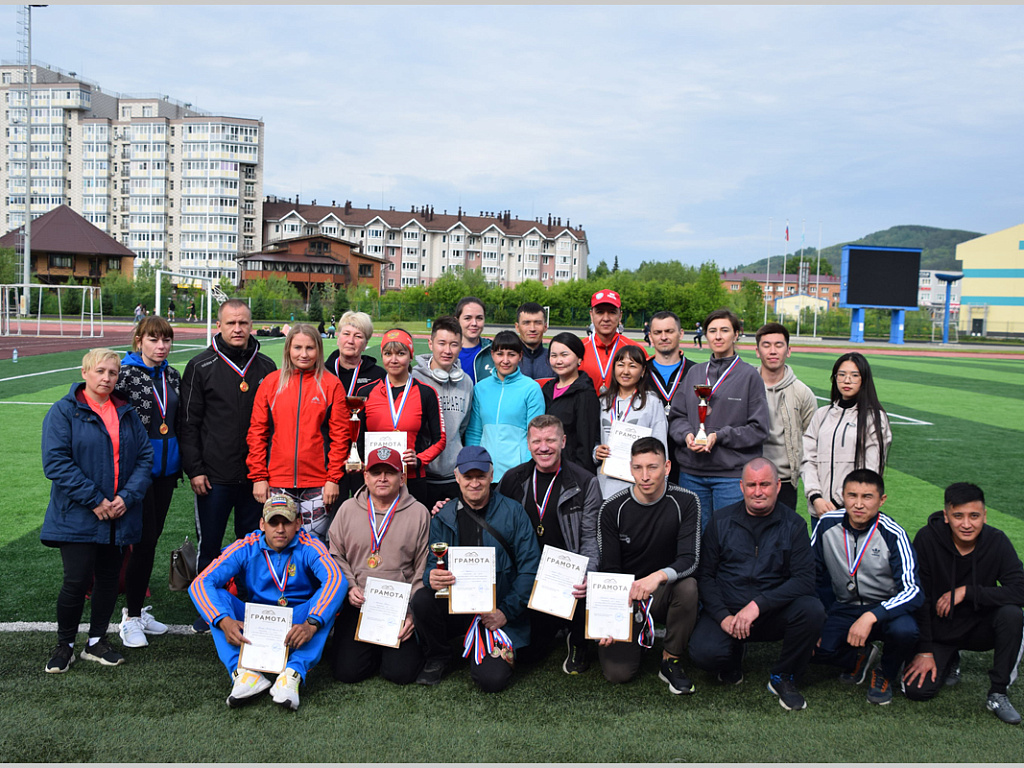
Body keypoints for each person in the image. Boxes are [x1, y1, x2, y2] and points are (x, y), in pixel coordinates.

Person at [42, 349, 153, 673]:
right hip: (79, 515)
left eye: (113, 373)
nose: (107, 378)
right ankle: (65, 644)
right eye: (100, 371)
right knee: (76, 581)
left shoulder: (126, 412)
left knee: (108, 579)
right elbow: (56, 462)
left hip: (118, 515)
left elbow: (144, 459)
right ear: (86, 372)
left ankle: (96, 641)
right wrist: (95, 500)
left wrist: (126, 498)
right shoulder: (64, 412)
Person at [688, 458, 825, 711]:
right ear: (741, 487)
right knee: (704, 654)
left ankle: (783, 675)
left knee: (812, 610)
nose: (758, 491)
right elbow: (705, 576)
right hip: (730, 611)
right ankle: (733, 657)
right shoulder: (720, 521)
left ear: (778, 486)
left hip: (772, 613)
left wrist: (758, 605)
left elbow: (805, 580)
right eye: (751, 485)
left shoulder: (794, 525)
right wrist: (722, 617)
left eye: (765, 484)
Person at [189, 494, 347, 710]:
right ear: (262, 524)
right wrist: (223, 621)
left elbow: (336, 580)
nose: (280, 529)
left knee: (326, 603)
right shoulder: (247, 545)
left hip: (297, 626)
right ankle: (244, 674)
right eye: (273, 522)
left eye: (287, 522)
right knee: (218, 602)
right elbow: (200, 583)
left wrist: (311, 624)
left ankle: (292, 674)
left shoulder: (310, 545)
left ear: (299, 523)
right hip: (258, 625)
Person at [179, 299, 277, 633]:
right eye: (231, 323)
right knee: (211, 547)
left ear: (252, 325)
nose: (238, 329)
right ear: (219, 325)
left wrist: (265, 471)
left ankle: (251, 606)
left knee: (253, 544)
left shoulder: (266, 366)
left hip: (255, 478)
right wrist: (195, 469)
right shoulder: (200, 365)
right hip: (213, 476)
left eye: (244, 323)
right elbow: (188, 423)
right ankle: (211, 611)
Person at [411, 446, 541, 692]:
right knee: (422, 599)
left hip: (499, 612)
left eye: (480, 476)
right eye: (468, 477)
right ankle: (439, 655)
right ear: (457, 477)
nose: (474, 483)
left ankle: (491, 647)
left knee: (491, 680)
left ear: (491, 476)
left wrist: (506, 611)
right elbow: (431, 566)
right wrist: (432, 577)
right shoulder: (444, 516)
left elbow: (530, 570)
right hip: (457, 609)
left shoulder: (514, 512)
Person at [902, 483, 1024, 725]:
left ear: (984, 516)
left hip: (979, 627)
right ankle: (949, 659)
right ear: (946, 516)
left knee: (1012, 614)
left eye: (974, 516)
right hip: (940, 629)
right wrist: (924, 650)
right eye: (958, 516)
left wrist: (968, 592)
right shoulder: (927, 539)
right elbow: (919, 597)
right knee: (916, 691)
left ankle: (998, 692)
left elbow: (1020, 590)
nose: (967, 524)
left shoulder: (997, 541)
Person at [595, 437, 701, 693]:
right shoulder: (612, 508)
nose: (645, 476)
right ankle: (632, 637)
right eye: (638, 467)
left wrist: (657, 577)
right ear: (630, 468)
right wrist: (608, 618)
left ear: (666, 467)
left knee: (688, 587)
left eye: (652, 467)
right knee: (617, 674)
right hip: (626, 598)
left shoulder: (686, 501)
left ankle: (670, 659)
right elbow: (609, 569)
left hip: (663, 592)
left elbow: (691, 558)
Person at [498, 414, 601, 674]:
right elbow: (489, 513)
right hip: (527, 574)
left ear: (563, 441)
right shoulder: (513, 479)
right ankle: (550, 627)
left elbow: (589, 537)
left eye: (550, 440)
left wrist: (588, 575)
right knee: (530, 655)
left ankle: (578, 640)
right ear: (528, 443)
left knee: (585, 583)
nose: (543, 447)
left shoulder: (585, 482)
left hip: (566, 576)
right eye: (537, 441)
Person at [810, 469, 923, 706]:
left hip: (885, 609)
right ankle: (857, 658)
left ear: (881, 500)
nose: (859, 504)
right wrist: (816, 618)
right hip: (844, 607)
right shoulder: (826, 525)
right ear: (843, 496)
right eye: (852, 495)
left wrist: (873, 615)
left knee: (906, 631)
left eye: (867, 497)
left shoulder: (893, 533)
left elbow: (913, 590)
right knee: (815, 649)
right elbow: (810, 573)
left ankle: (885, 672)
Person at [328, 447, 430, 685]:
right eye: (376, 472)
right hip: (359, 603)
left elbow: (422, 566)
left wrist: (412, 612)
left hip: (399, 608)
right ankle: (369, 647)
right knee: (347, 672)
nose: (382, 479)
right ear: (365, 477)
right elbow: (335, 555)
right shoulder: (347, 510)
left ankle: (384, 650)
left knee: (400, 674)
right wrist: (350, 586)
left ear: (402, 477)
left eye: (390, 472)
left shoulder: (419, 513)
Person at [246, 323, 350, 542]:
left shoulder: (331, 385)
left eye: (310, 348)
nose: (303, 354)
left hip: (318, 484)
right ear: (288, 350)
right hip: (277, 482)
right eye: (297, 348)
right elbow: (257, 433)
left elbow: (340, 437)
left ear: (319, 350)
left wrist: (333, 479)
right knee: (279, 544)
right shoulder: (271, 384)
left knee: (313, 547)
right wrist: (259, 477)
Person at [669, 308, 769, 531]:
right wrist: (687, 435)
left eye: (724, 330)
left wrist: (720, 436)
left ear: (736, 334)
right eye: (712, 331)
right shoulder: (695, 373)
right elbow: (677, 416)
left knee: (730, 538)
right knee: (696, 539)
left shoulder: (749, 376)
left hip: (730, 476)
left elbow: (759, 429)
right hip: (692, 474)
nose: (718, 336)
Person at [115, 316, 182, 649]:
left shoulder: (171, 374)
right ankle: (130, 618)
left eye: (166, 340)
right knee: (140, 544)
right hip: (138, 474)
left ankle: (138, 611)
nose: (161, 346)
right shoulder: (124, 375)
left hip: (167, 473)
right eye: (154, 340)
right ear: (139, 340)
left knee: (150, 540)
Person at [357, 328, 446, 504]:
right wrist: (361, 464)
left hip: (412, 478)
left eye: (401, 353)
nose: (394, 359)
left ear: (410, 355)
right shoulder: (365, 392)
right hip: (377, 479)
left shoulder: (426, 393)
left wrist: (419, 460)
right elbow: (357, 438)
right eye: (388, 353)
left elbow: (440, 439)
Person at [801, 352, 892, 521]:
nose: (847, 380)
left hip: (852, 513)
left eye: (854, 375)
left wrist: (837, 501)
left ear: (864, 380)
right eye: (842, 375)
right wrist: (815, 497)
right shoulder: (821, 415)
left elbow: (870, 469)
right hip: (819, 510)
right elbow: (807, 459)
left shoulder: (874, 418)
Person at [411, 316, 474, 510]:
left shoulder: (466, 382)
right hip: (421, 474)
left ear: (461, 346)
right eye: (442, 343)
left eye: (454, 344)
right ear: (430, 343)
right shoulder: (413, 379)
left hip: (453, 476)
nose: (447, 350)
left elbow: (463, 427)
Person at [465, 330, 545, 482]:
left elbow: (536, 434)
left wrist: (527, 469)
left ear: (520, 356)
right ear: (492, 355)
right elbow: (474, 433)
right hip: (485, 474)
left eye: (511, 354)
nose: (505, 360)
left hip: (517, 474)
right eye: (500, 354)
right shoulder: (480, 388)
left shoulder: (531, 388)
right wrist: (474, 465)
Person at [324, 311, 387, 501]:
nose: (351, 340)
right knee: (333, 517)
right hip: (328, 458)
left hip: (366, 461)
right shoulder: (322, 372)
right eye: (346, 333)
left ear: (366, 343)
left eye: (358, 336)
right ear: (337, 338)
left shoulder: (379, 376)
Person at [754, 322, 817, 511]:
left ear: (788, 351)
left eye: (778, 345)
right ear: (757, 351)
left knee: (781, 538)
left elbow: (812, 440)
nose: (772, 351)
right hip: (750, 477)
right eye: (766, 345)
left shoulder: (802, 393)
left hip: (785, 481)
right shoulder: (746, 386)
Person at [593, 345, 668, 499]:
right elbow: (594, 439)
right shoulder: (602, 402)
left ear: (642, 372)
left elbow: (661, 445)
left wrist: (660, 483)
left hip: (638, 484)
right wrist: (596, 453)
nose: (625, 371)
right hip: (604, 482)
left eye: (632, 366)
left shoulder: (652, 402)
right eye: (620, 365)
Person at [540, 332, 601, 474]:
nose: (558, 361)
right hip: (546, 467)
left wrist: (577, 478)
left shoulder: (585, 394)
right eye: (554, 356)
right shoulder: (547, 389)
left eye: (564, 355)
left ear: (579, 359)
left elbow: (585, 444)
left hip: (570, 473)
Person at [648, 310, 697, 483]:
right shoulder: (639, 372)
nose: (663, 337)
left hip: (689, 458)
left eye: (669, 331)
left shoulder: (697, 372)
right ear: (650, 336)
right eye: (657, 332)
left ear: (681, 333)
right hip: (649, 459)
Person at [580, 289, 644, 396]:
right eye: (600, 312)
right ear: (591, 315)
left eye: (612, 312)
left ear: (620, 316)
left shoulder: (636, 349)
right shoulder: (578, 350)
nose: (606, 318)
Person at [455, 296, 493, 383]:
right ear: (457, 321)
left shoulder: (495, 350)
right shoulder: (447, 353)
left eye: (479, 318)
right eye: (467, 318)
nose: (474, 323)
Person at [515, 301, 554, 380]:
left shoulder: (555, 361)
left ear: (545, 327)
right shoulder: (507, 361)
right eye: (526, 323)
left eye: (538, 323)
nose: (532, 329)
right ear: (517, 327)